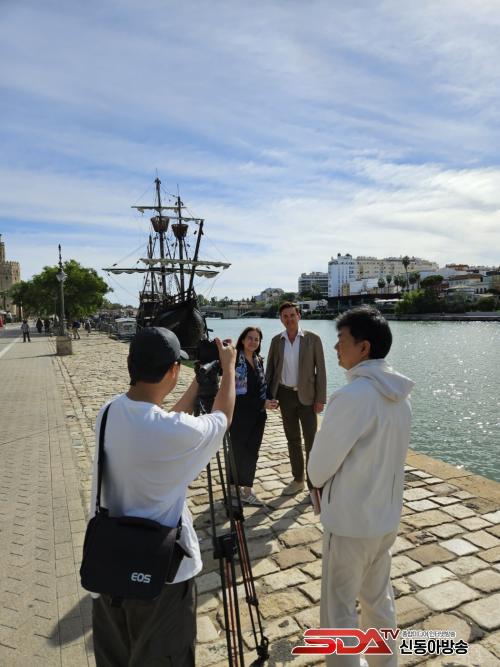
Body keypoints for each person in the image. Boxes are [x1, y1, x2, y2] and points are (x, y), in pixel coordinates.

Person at [89, 327, 236, 666]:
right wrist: (228, 368)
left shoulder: (109, 412)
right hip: (161, 576)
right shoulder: (172, 432)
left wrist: (197, 383)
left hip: (108, 566)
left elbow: (165, 421)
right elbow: (222, 418)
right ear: (173, 370)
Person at [308, 306, 414, 667]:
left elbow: (319, 466)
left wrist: (316, 483)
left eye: (342, 340)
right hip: (385, 518)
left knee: (338, 609)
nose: (336, 348)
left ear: (363, 347)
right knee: (378, 599)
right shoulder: (400, 396)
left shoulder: (352, 397)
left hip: (350, 522)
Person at [265, 302, 327, 495]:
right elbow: (270, 370)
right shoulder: (276, 341)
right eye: (285, 316)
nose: (289, 319)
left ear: (299, 316)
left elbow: (321, 371)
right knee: (292, 439)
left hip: (307, 397)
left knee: (311, 441)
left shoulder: (313, 339)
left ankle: (313, 485)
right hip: (285, 396)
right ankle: (298, 480)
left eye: (292, 315)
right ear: (281, 319)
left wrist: (320, 399)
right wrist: (269, 396)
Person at [229, 326, 278, 505]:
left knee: (252, 453)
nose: (253, 342)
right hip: (240, 415)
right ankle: (233, 490)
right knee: (236, 452)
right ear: (242, 340)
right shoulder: (235, 361)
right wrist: (261, 403)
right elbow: (236, 395)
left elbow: (262, 385)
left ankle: (247, 490)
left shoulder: (258, 360)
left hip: (258, 416)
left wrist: (271, 399)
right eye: (250, 338)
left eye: (256, 339)